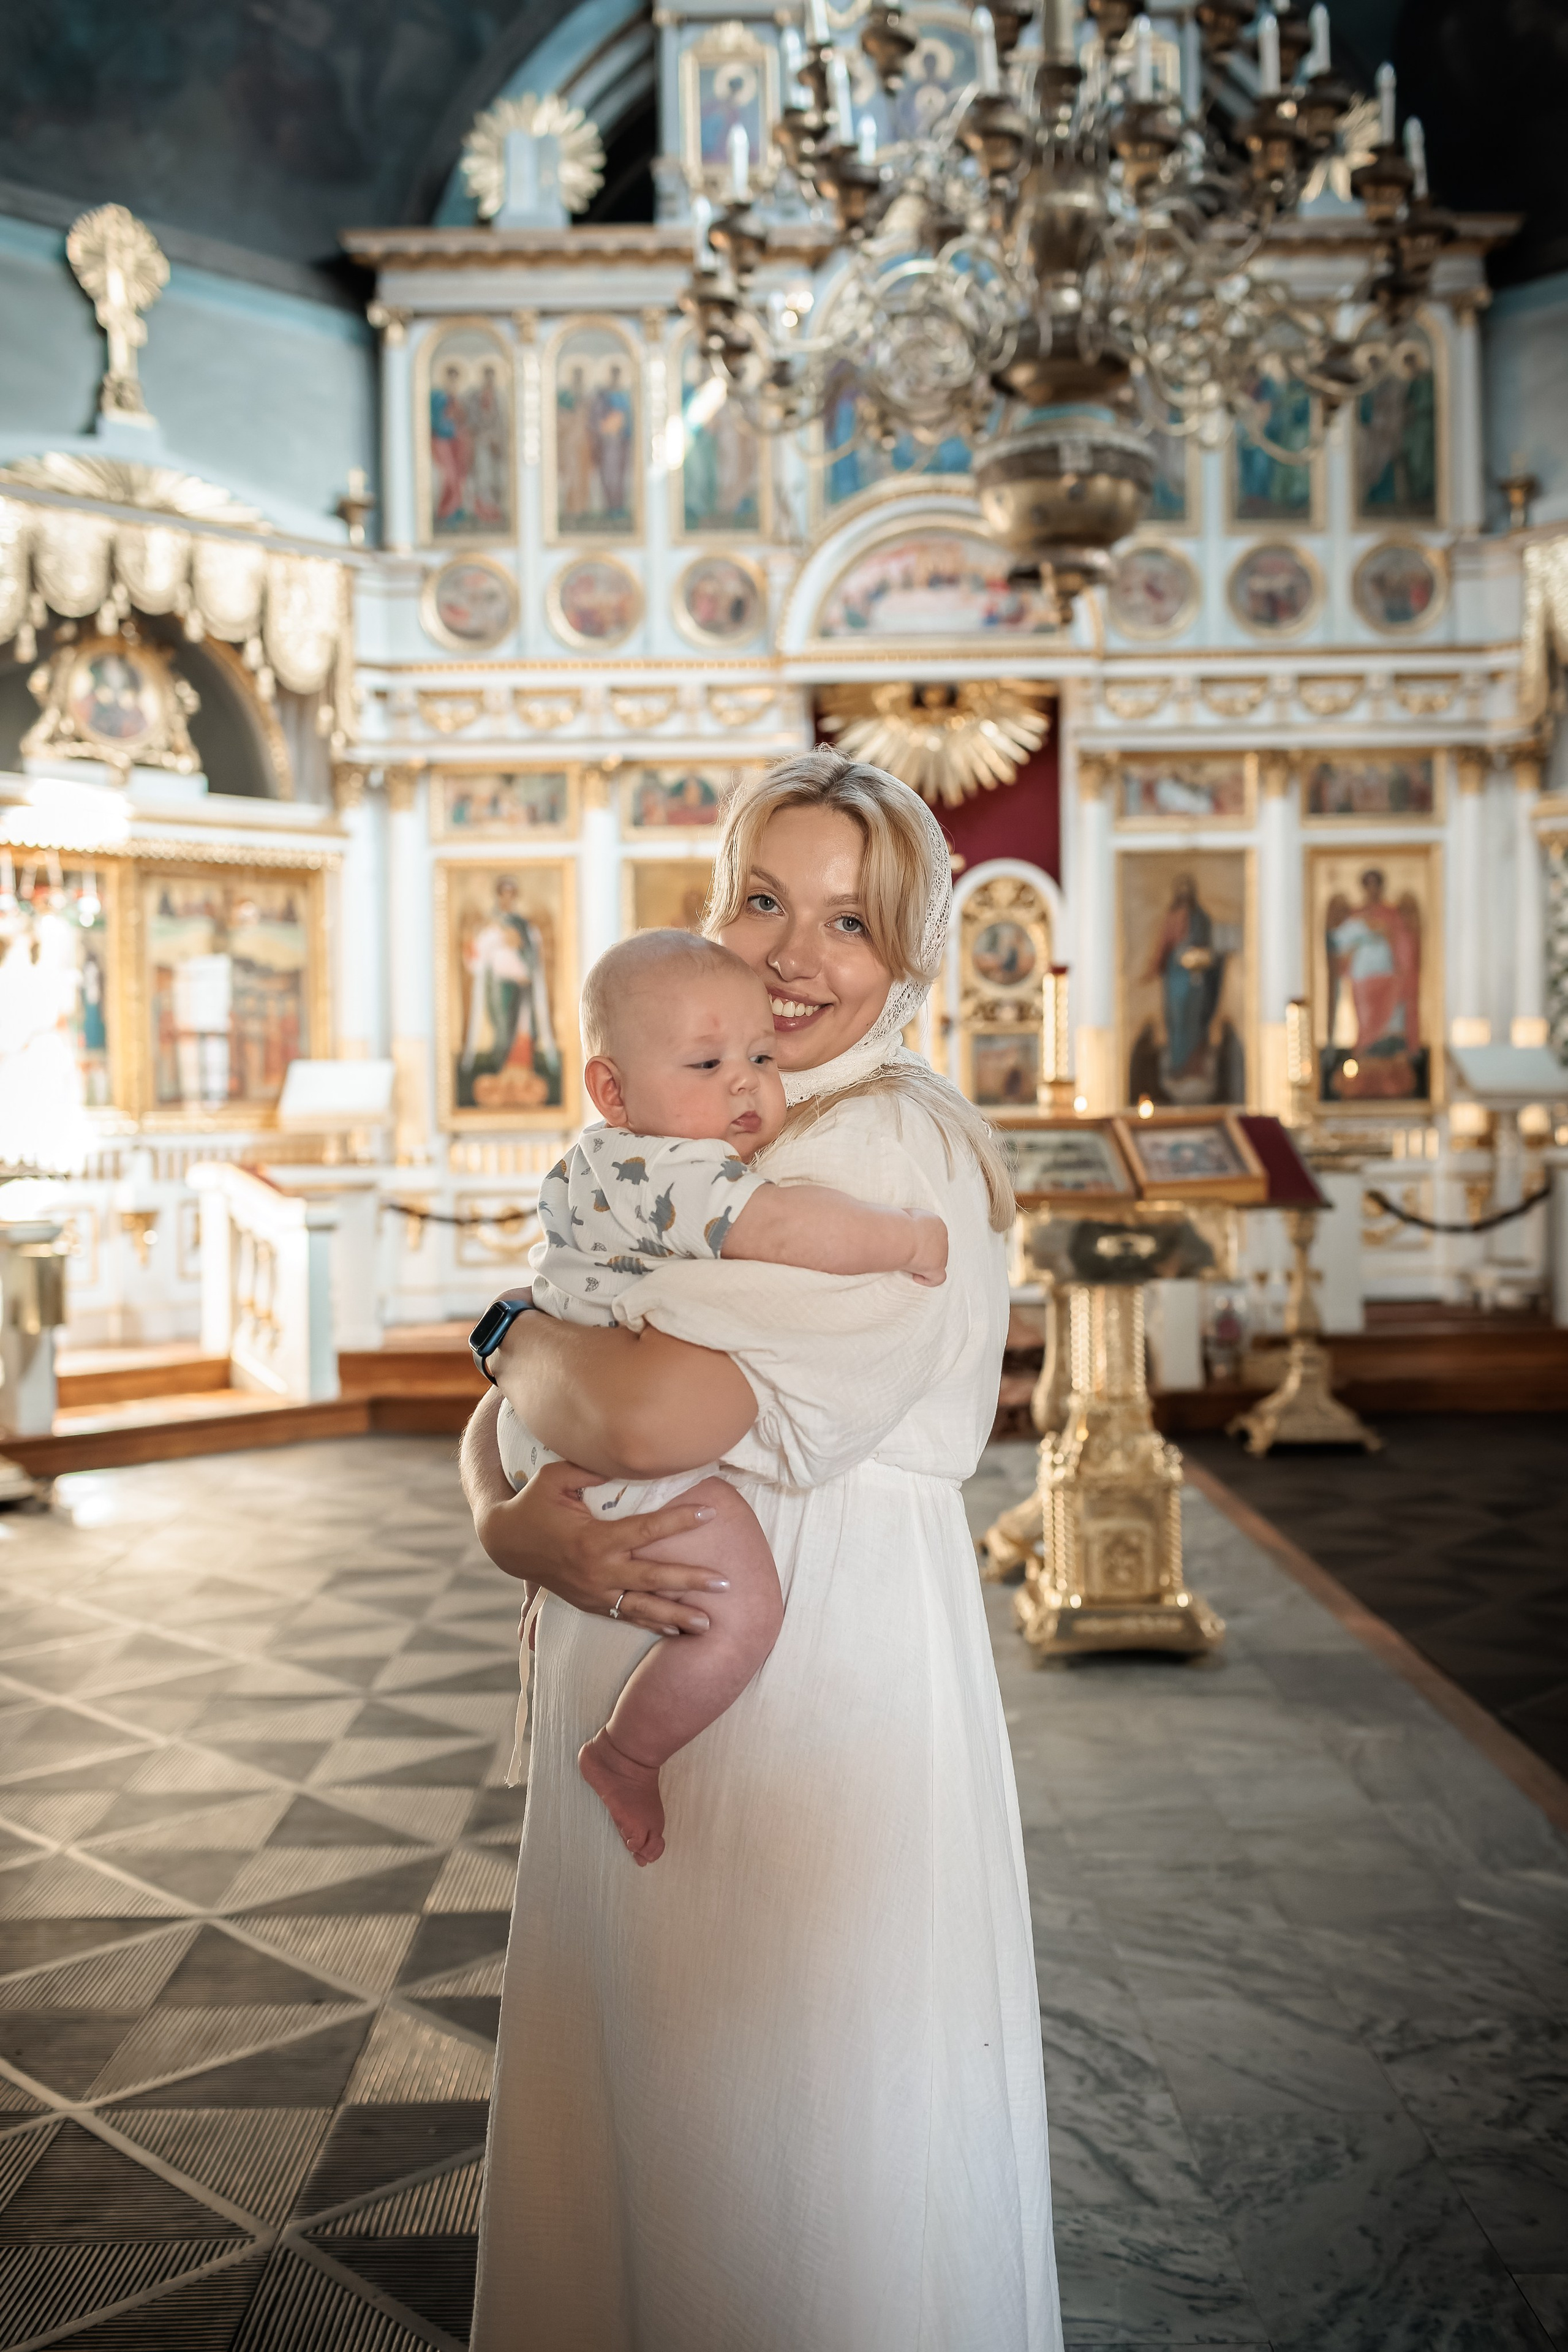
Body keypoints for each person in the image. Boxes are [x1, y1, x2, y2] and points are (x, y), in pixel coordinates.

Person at [462, 750, 1061, 2351]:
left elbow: (644, 1416)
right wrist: (504, 1510)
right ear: (711, 908)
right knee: (655, 2100)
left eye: (853, 923)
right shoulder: (712, 1120)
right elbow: (558, 1385)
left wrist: (509, 1337)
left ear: (916, 956)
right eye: (765, 899)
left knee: (769, 2139)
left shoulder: (884, 1153)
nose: (798, 953)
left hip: (807, 1679)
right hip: (668, 1658)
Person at [496, 927, 949, 1866]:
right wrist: (906, 1241)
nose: (744, 1083)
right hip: (611, 1459)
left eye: (759, 1057)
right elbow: (781, 1229)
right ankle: (626, 1753)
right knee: (743, 1613)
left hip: (546, 1427)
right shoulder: (678, 1171)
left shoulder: (595, 1163)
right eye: (707, 1063)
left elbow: (515, 1325)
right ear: (614, 1091)